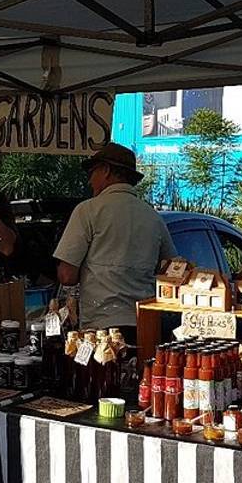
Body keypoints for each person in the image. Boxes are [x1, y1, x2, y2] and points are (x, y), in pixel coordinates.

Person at [53, 143, 175, 343]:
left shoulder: (88, 210)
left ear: (106, 171)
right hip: (145, 325)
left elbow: (67, 276)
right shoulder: (153, 217)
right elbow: (172, 270)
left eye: (92, 172)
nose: (90, 180)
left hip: (102, 327)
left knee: (105, 364)